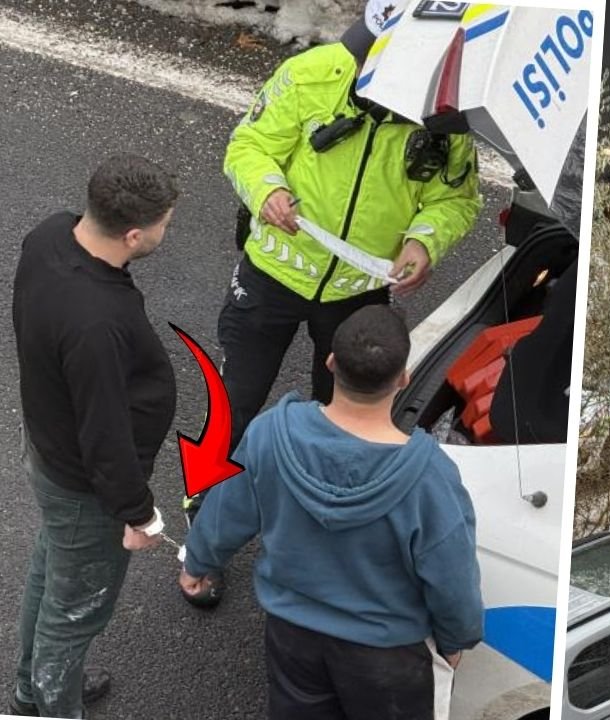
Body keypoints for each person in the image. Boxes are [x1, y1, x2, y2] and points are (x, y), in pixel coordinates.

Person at [190, 0, 483, 602]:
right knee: (234, 407)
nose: (357, 61)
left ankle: (314, 536)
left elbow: (456, 201)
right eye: (361, 46)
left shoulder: (447, 117)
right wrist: (267, 188)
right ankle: (205, 531)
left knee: (344, 420)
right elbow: (247, 146)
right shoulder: (312, 71)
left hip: (356, 292)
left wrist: (424, 243)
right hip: (273, 271)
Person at [180, 306, 483, 719]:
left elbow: (224, 512)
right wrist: (456, 639)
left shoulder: (270, 433)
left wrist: (198, 563)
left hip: (292, 638)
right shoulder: (430, 476)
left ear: (330, 363)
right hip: (388, 656)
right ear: (402, 379)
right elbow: (452, 575)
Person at [10, 155, 180, 718]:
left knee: (54, 569)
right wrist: (137, 514)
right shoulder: (97, 321)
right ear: (134, 234)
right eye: (164, 223)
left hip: (50, 449)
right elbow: (104, 433)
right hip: (87, 486)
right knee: (77, 608)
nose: (165, 231)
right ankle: (54, 706)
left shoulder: (51, 235)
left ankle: (32, 688)